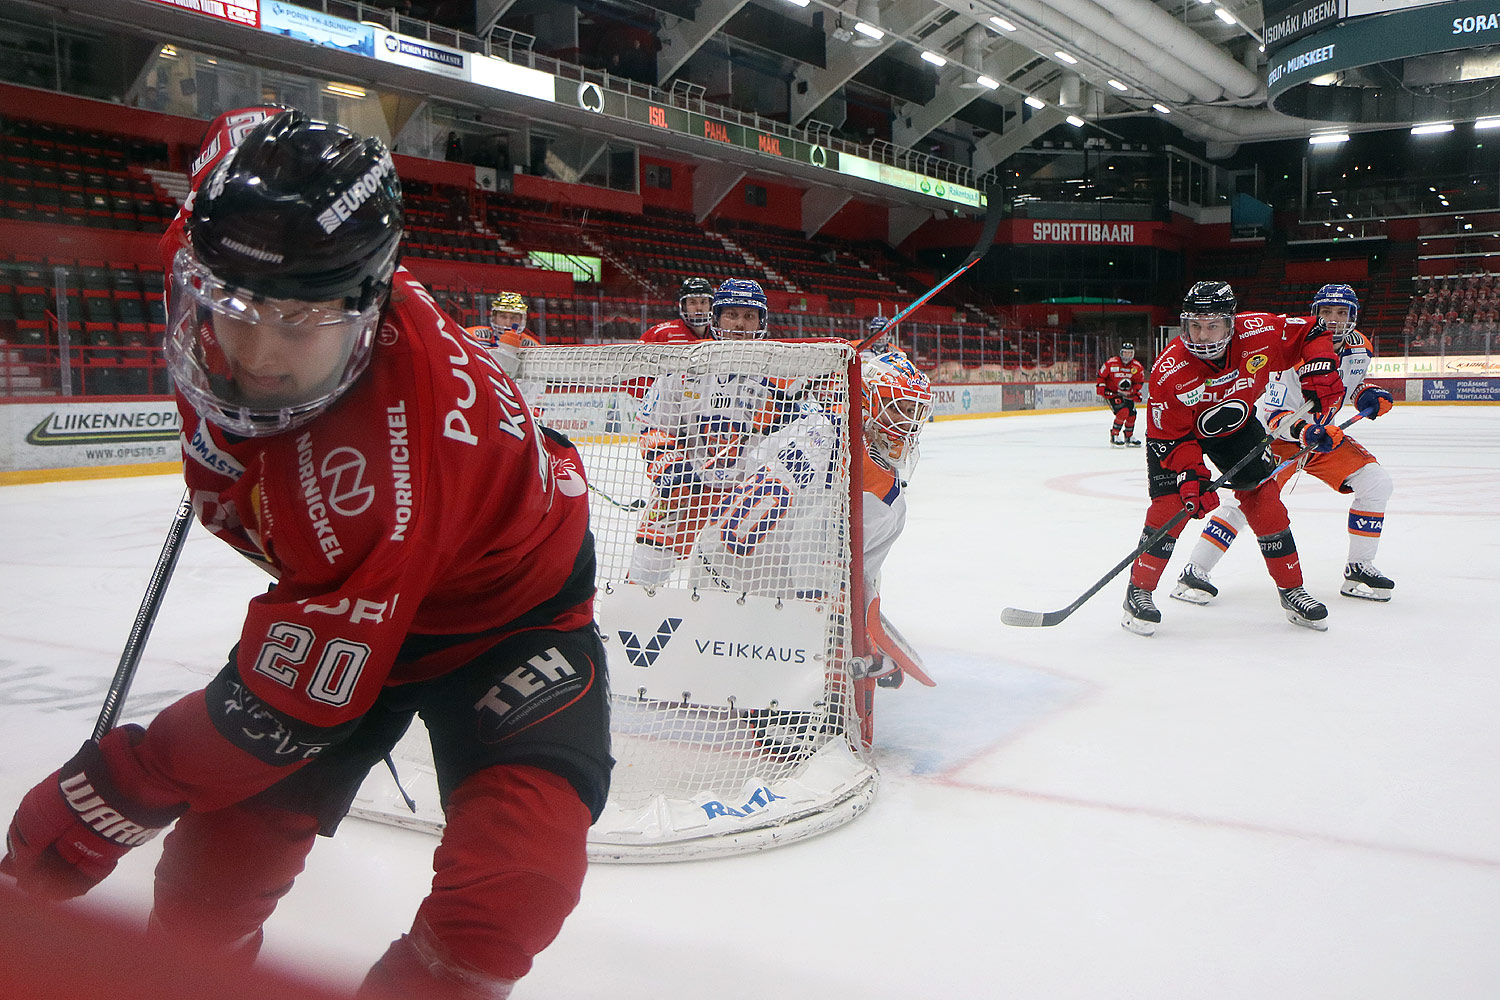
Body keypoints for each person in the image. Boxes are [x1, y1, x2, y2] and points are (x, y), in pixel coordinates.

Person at [1, 109, 612, 1000]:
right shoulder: (231, 229)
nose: (255, 355)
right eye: (231, 311)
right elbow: (244, 135)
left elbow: (291, 706)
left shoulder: (377, 474)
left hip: (503, 618)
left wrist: (115, 789)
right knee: (211, 883)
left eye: (299, 321)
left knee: (515, 886)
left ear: (365, 306)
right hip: (354, 592)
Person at [1121, 280, 1345, 636]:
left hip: (1234, 426)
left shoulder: (1260, 331)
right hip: (1180, 439)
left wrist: (1321, 364)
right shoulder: (1168, 371)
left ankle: (1292, 589)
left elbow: (1313, 330)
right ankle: (1139, 592)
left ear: (1231, 323)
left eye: (1212, 326)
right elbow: (1170, 437)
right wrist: (1191, 477)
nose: (1203, 336)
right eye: (1195, 325)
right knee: (1170, 508)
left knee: (1265, 500)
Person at [1172, 283, 1396, 605]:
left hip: (1322, 438)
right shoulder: (1294, 350)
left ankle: (1359, 567)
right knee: (1244, 503)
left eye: (1341, 312)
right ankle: (1194, 570)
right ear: (1315, 314)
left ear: (1354, 315)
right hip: (1276, 438)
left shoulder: (1361, 347)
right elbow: (1275, 411)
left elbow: (1350, 385)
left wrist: (1367, 394)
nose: (1333, 320)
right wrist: (1307, 432)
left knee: (1376, 483)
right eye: (1326, 312)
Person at [627, 278, 785, 586]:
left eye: (749, 316)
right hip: (684, 491)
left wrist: (782, 421)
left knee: (730, 585)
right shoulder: (686, 366)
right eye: (732, 314)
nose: (740, 324)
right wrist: (670, 468)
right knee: (645, 571)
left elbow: (794, 444)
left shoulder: (780, 375)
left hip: (744, 498)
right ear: (716, 318)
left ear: (761, 322)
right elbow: (654, 425)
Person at [854, 350, 935, 689]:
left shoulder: (821, 429)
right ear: (868, 399)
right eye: (898, 407)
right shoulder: (885, 495)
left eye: (913, 411)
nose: (907, 422)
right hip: (782, 605)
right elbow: (845, 577)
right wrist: (867, 645)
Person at [1096, 341, 1146, 446]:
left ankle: (1129, 436)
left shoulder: (1137, 367)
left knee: (1132, 414)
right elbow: (1101, 376)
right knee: (1123, 411)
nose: (1127, 355)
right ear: (1121, 353)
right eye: (1125, 353)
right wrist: (1101, 387)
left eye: (1129, 353)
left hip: (1127, 394)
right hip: (1113, 393)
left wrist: (1135, 391)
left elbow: (1139, 382)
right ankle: (1115, 435)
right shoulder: (1111, 363)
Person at [641, 277, 714, 343]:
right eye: (692, 302)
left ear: (710, 304)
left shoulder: (719, 335)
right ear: (684, 306)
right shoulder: (659, 334)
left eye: (703, 302)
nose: (699, 308)